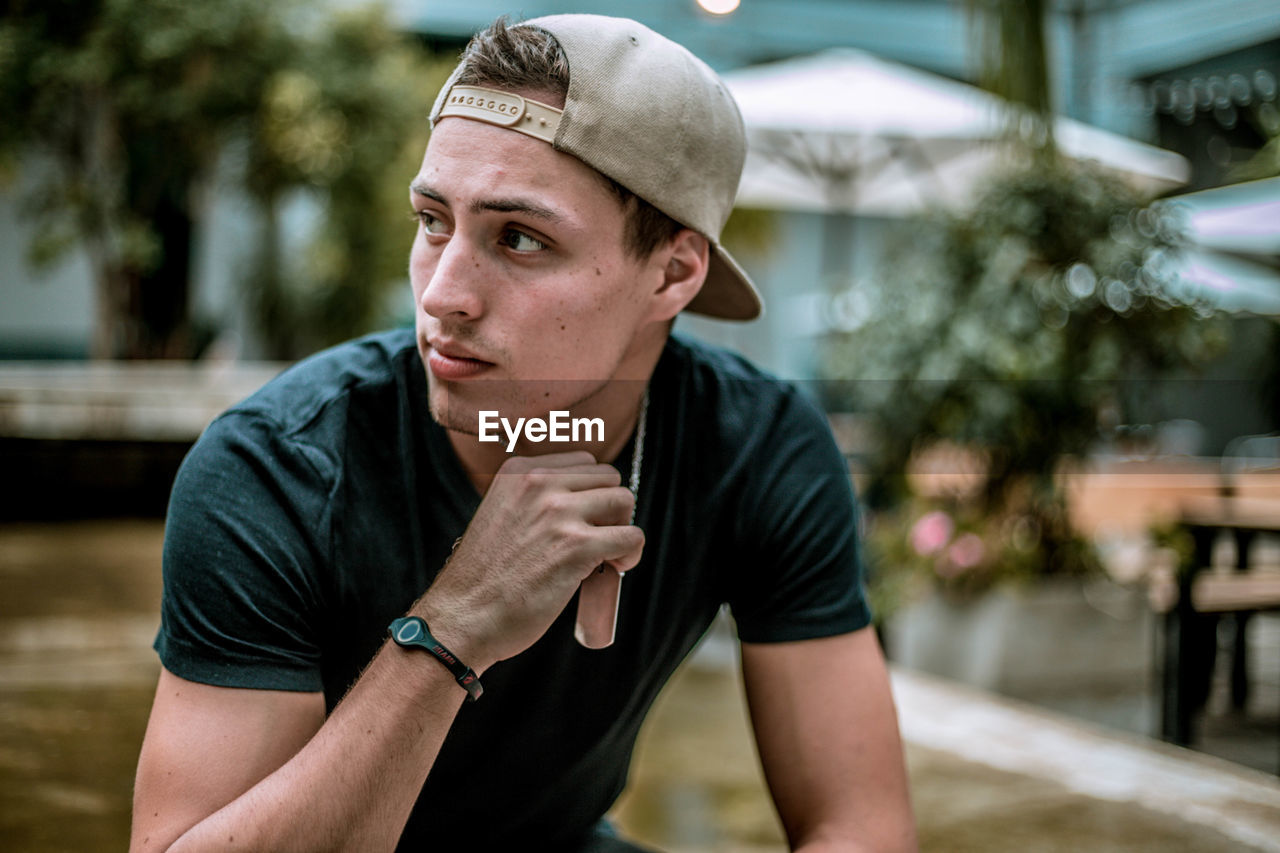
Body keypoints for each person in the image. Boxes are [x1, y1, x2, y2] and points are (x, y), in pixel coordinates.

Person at [131, 13, 916, 852]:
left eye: (519, 237)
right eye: (434, 220)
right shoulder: (275, 466)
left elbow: (858, 824)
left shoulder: (759, 449)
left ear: (674, 272)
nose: (441, 296)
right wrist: (455, 623)